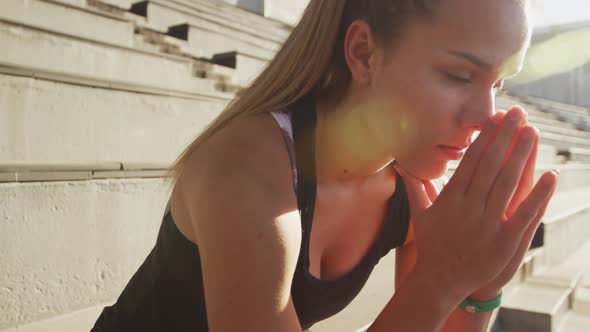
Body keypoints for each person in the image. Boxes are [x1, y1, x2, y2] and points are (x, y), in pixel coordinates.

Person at [92, 0, 560, 331]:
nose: (484, 117)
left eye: (498, 84)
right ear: (362, 53)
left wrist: (481, 288)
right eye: (459, 76)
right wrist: (441, 281)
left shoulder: (412, 185)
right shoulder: (247, 170)